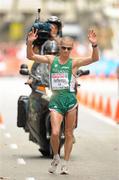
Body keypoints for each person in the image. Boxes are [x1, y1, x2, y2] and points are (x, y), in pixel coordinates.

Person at [27, 28, 99, 175]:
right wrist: (29, 43)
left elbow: (94, 59)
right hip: (55, 100)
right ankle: (55, 157)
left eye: (69, 48)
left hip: (70, 101)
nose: (66, 51)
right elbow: (31, 56)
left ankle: (65, 163)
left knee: (69, 133)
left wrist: (94, 45)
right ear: (59, 48)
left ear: (72, 49)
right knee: (54, 133)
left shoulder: (74, 63)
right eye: (63, 48)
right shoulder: (51, 60)